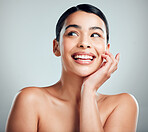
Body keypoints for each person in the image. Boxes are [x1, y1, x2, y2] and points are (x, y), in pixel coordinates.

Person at [6, 4, 139, 132]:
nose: (84, 43)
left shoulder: (122, 104)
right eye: (73, 33)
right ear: (56, 47)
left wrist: (88, 90)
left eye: (95, 35)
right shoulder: (30, 100)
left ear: (106, 49)